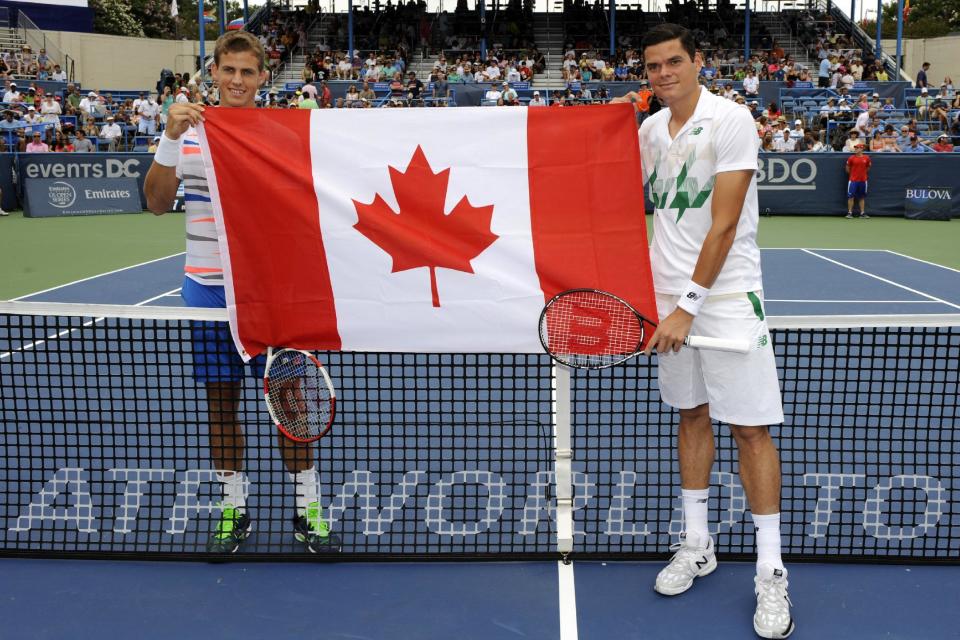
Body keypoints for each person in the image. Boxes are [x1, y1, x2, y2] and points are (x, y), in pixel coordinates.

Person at [613, 23, 794, 640]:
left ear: (697, 63)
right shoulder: (646, 132)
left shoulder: (731, 120)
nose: (662, 73)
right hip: (668, 303)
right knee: (690, 415)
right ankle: (696, 545)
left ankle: (771, 573)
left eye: (673, 62)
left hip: (721, 301)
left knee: (748, 430)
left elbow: (721, 226)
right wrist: (662, 303)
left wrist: (688, 305)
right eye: (652, 67)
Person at [143, 30, 337, 555]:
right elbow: (157, 203)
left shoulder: (283, 134)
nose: (236, 80)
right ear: (213, 74)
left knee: (290, 406)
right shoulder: (186, 135)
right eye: (228, 71)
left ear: (262, 78)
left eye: (247, 72)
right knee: (221, 408)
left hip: (272, 296)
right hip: (207, 295)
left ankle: (309, 509)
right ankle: (233, 508)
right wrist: (167, 134)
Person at [845, 142, 871, 218]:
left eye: (857, 148)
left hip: (863, 181)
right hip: (853, 181)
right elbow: (847, 168)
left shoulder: (866, 158)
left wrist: (863, 174)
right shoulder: (851, 158)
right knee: (850, 197)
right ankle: (849, 213)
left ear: (862, 149)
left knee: (862, 197)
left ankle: (862, 213)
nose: (856, 149)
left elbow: (868, 167)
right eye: (855, 148)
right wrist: (853, 175)